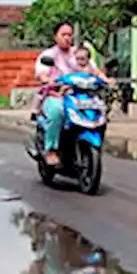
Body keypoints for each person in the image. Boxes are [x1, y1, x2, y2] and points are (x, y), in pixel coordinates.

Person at [34, 21, 82, 167]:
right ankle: (51, 150)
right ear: (55, 37)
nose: (67, 38)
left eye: (70, 35)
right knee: (57, 111)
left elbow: (91, 69)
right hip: (54, 95)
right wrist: (48, 80)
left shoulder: (78, 54)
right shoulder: (49, 55)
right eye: (63, 34)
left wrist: (105, 78)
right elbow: (42, 73)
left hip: (77, 96)